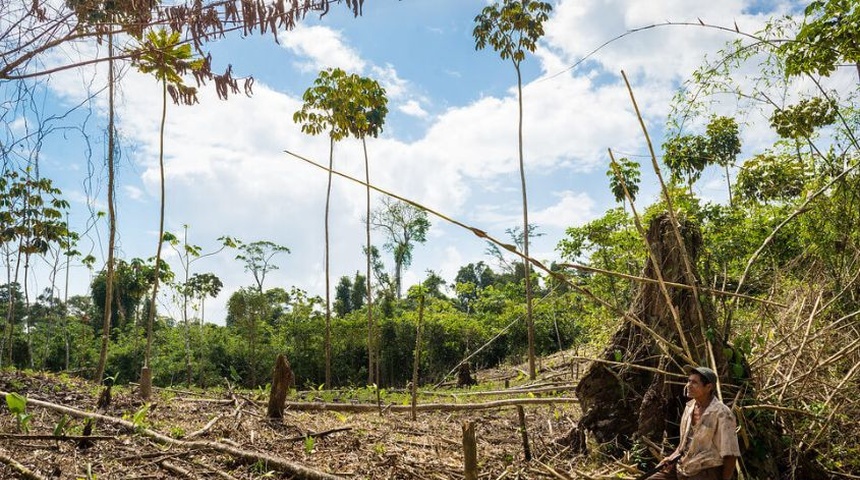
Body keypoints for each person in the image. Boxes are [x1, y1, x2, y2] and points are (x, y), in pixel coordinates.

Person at [646, 366, 742, 480]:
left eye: (695, 383)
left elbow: (731, 455)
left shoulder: (722, 414)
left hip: (706, 471)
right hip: (682, 466)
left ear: (708, 387)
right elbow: (684, 445)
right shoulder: (689, 407)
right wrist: (671, 458)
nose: (688, 385)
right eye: (689, 381)